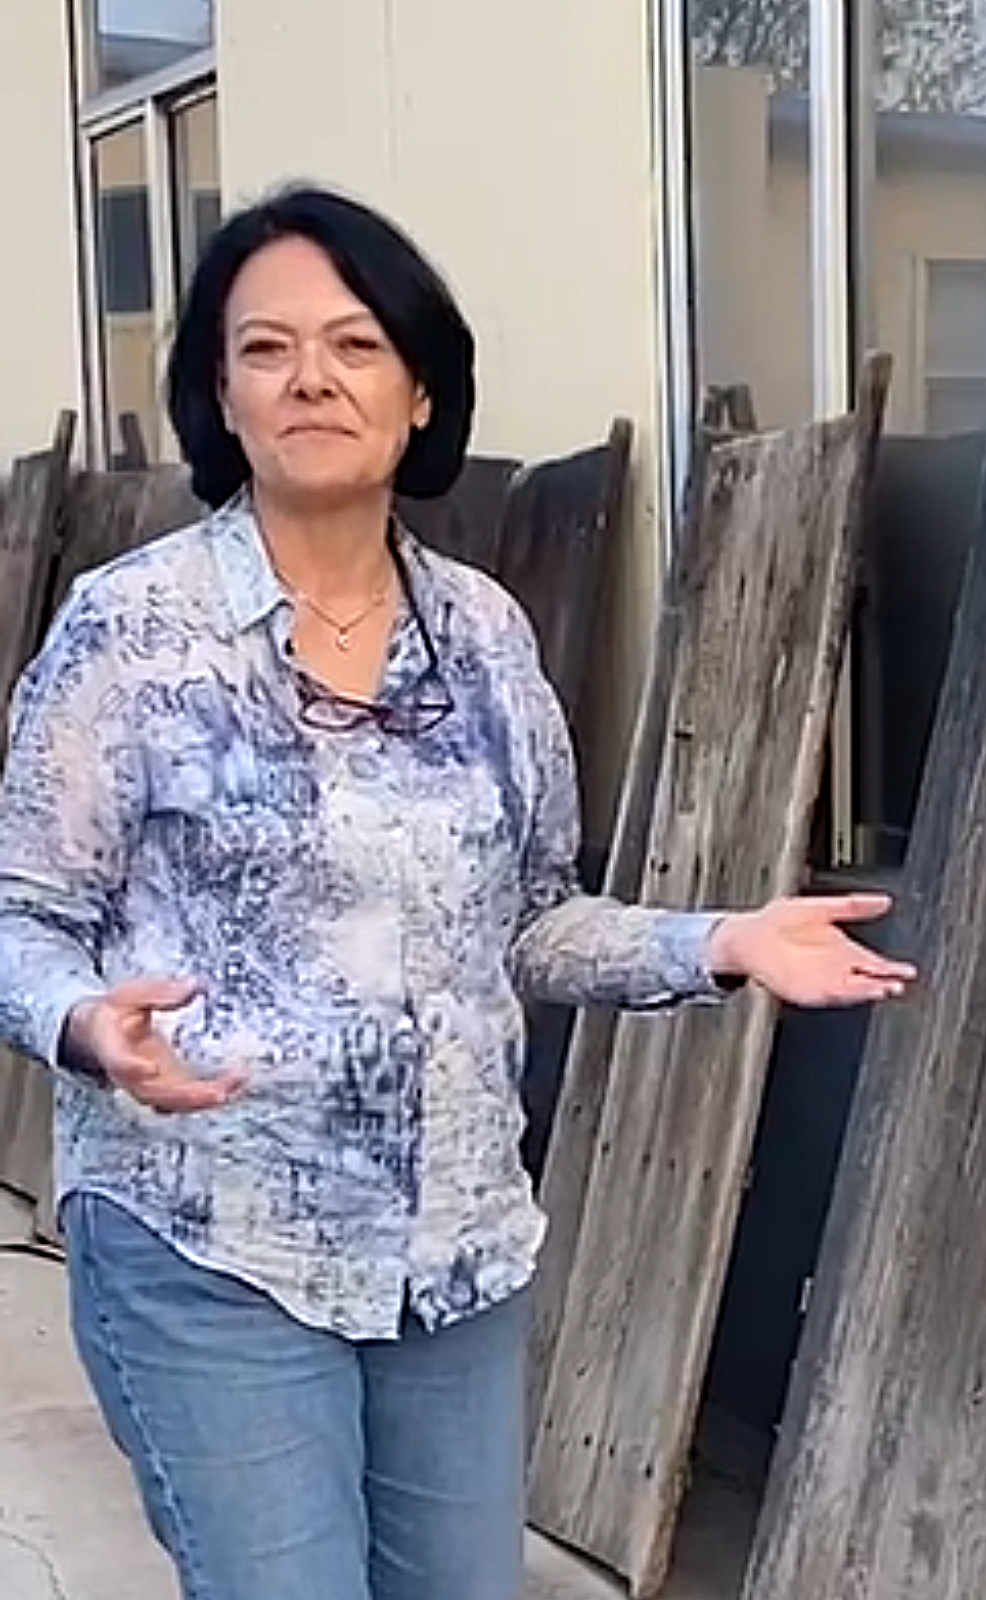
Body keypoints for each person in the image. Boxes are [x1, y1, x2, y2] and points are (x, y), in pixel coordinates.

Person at [0, 183, 916, 1600]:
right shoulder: (131, 632)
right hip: (210, 1237)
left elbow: (532, 921)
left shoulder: (482, 637)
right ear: (220, 397)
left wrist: (720, 940)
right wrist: (82, 1022)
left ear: (419, 392)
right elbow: (21, 915)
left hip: (452, 1248)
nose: (312, 378)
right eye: (265, 349)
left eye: (355, 345)